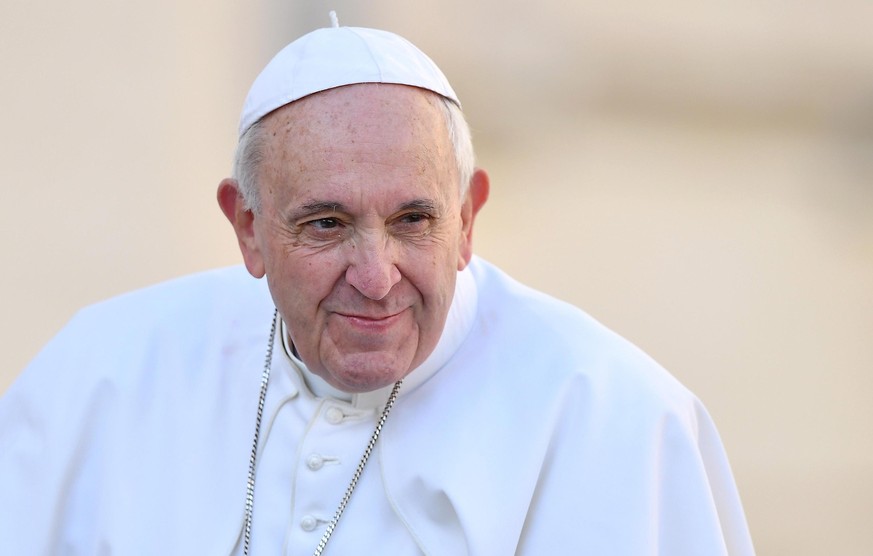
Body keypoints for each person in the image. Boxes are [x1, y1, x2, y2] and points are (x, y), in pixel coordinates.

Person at [0, 16, 755, 556]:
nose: (374, 275)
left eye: (413, 220)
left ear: (468, 217)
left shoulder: (614, 417)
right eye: (326, 224)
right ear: (247, 228)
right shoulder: (98, 375)